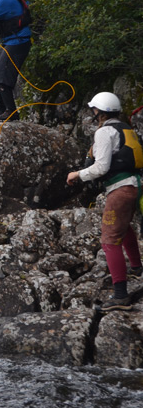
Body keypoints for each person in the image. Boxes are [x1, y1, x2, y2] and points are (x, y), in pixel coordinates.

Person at [67, 92, 143, 311]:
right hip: (135, 186)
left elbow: (101, 167)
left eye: (94, 110)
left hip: (120, 189)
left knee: (109, 240)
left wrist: (77, 174)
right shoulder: (126, 129)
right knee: (124, 227)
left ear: (98, 111)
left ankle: (120, 295)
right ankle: (137, 268)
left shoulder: (104, 132)